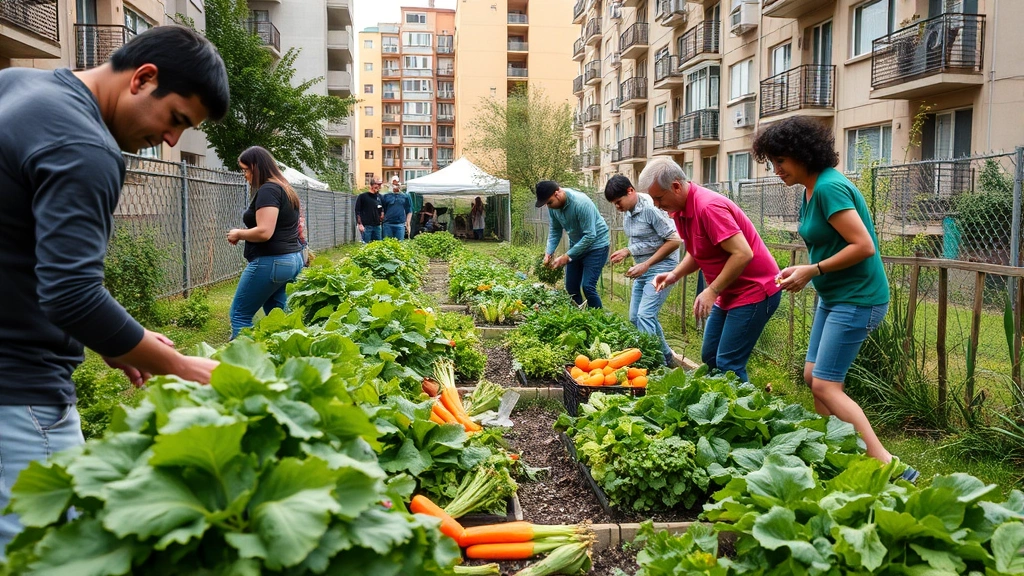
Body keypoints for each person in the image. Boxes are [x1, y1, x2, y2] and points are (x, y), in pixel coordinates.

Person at [0, 25, 228, 551]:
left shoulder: (18, 86)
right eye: (176, 119)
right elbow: (72, 294)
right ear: (143, 78)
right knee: (46, 552)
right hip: (18, 387)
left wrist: (113, 337)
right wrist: (181, 366)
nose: (172, 140)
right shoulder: (86, 145)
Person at [752, 117, 917, 482]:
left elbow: (864, 246)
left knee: (826, 384)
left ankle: (890, 466)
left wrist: (812, 270)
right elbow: (828, 241)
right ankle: (828, 449)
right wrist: (806, 271)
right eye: (772, 162)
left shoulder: (829, 187)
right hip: (836, 296)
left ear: (801, 153)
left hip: (859, 298)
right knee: (814, 376)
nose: (776, 169)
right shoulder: (811, 190)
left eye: (781, 161)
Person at [642, 157, 782, 383]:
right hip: (728, 292)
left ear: (676, 186)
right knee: (710, 356)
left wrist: (712, 290)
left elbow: (743, 253)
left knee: (728, 364)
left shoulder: (708, 207)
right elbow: (698, 252)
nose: (657, 205)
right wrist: (674, 274)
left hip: (755, 291)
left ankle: (748, 413)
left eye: (659, 198)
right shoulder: (680, 211)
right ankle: (722, 409)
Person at [604, 175, 685, 367]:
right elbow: (642, 241)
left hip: (662, 267)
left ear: (630, 191)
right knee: (635, 317)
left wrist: (646, 264)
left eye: (618, 202)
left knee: (646, 315)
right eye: (614, 204)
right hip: (643, 269)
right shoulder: (629, 211)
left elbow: (674, 240)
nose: (617, 207)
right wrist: (627, 251)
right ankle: (666, 357)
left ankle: (656, 365)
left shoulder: (651, 209)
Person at [227, 146, 306, 339]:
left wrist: (238, 233)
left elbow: (264, 232)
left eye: (245, 170)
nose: (245, 175)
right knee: (277, 317)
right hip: (291, 259)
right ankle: (286, 359)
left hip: (272, 262)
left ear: (256, 167)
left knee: (240, 315)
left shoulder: (268, 190)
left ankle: (242, 365)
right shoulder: (285, 188)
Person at [537, 180, 610, 308]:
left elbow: (590, 235)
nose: (548, 206)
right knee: (571, 287)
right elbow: (555, 230)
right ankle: (580, 319)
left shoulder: (580, 203)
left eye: (549, 202)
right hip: (577, 244)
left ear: (557, 193)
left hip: (597, 245)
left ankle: (599, 321)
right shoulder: (554, 207)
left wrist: (567, 256)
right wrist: (549, 252)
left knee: (588, 286)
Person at [355, 177, 384, 243]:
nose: (379, 187)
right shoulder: (362, 197)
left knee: (378, 246)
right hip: (366, 226)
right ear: (371, 185)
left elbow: (382, 209)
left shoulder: (380, 197)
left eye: (380, 185)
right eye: (377, 184)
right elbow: (357, 211)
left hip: (377, 226)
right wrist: (360, 224)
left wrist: (382, 213)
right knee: (366, 246)